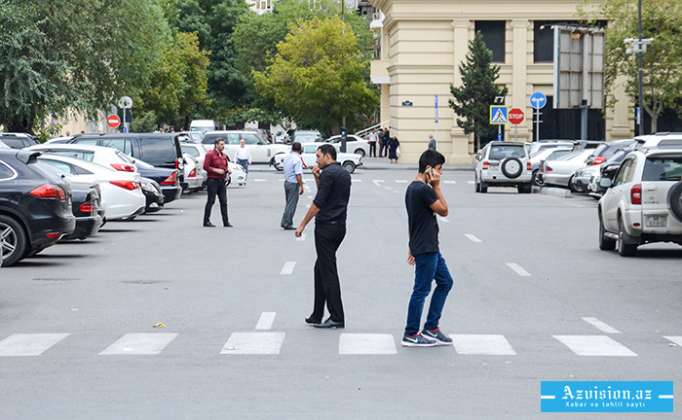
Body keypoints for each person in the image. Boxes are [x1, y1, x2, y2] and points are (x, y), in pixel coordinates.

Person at [295, 144, 351, 329]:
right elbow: (327, 194)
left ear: (328, 156)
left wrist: (302, 224)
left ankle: (336, 316)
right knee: (320, 269)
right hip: (339, 226)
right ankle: (317, 314)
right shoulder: (343, 173)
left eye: (318, 156)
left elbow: (319, 202)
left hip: (326, 227)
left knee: (328, 272)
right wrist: (316, 177)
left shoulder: (329, 173)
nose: (316, 159)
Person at [402, 150, 453, 347]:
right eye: (439, 169)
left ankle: (431, 327)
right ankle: (411, 332)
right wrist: (437, 187)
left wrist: (410, 245)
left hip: (427, 245)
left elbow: (413, 221)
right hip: (426, 247)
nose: (441, 174)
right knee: (421, 290)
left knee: (446, 282)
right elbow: (444, 210)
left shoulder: (412, 188)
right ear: (429, 169)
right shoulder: (423, 189)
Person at [202, 138, 233, 228]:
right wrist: (216, 170)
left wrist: (227, 170)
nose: (223, 146)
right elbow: (206, 167)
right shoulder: (210, 154)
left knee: (224, 201)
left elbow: (225, 166)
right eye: (221, 144)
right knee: (211, 201)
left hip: (221, 181)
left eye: (223, 144)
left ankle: (226, 221)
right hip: (213, 180)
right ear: (216, 145)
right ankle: (206, 220)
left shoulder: (223, 156)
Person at [280, 142, 305, 230]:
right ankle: (287, 223)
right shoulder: (297, 159)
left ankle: (285, 221)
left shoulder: (288, 157)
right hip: (293, 183)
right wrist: (301, 185)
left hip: (287, 182)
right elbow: (298, 174)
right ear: (300, 149)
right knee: (292, 204)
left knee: (288, 203)